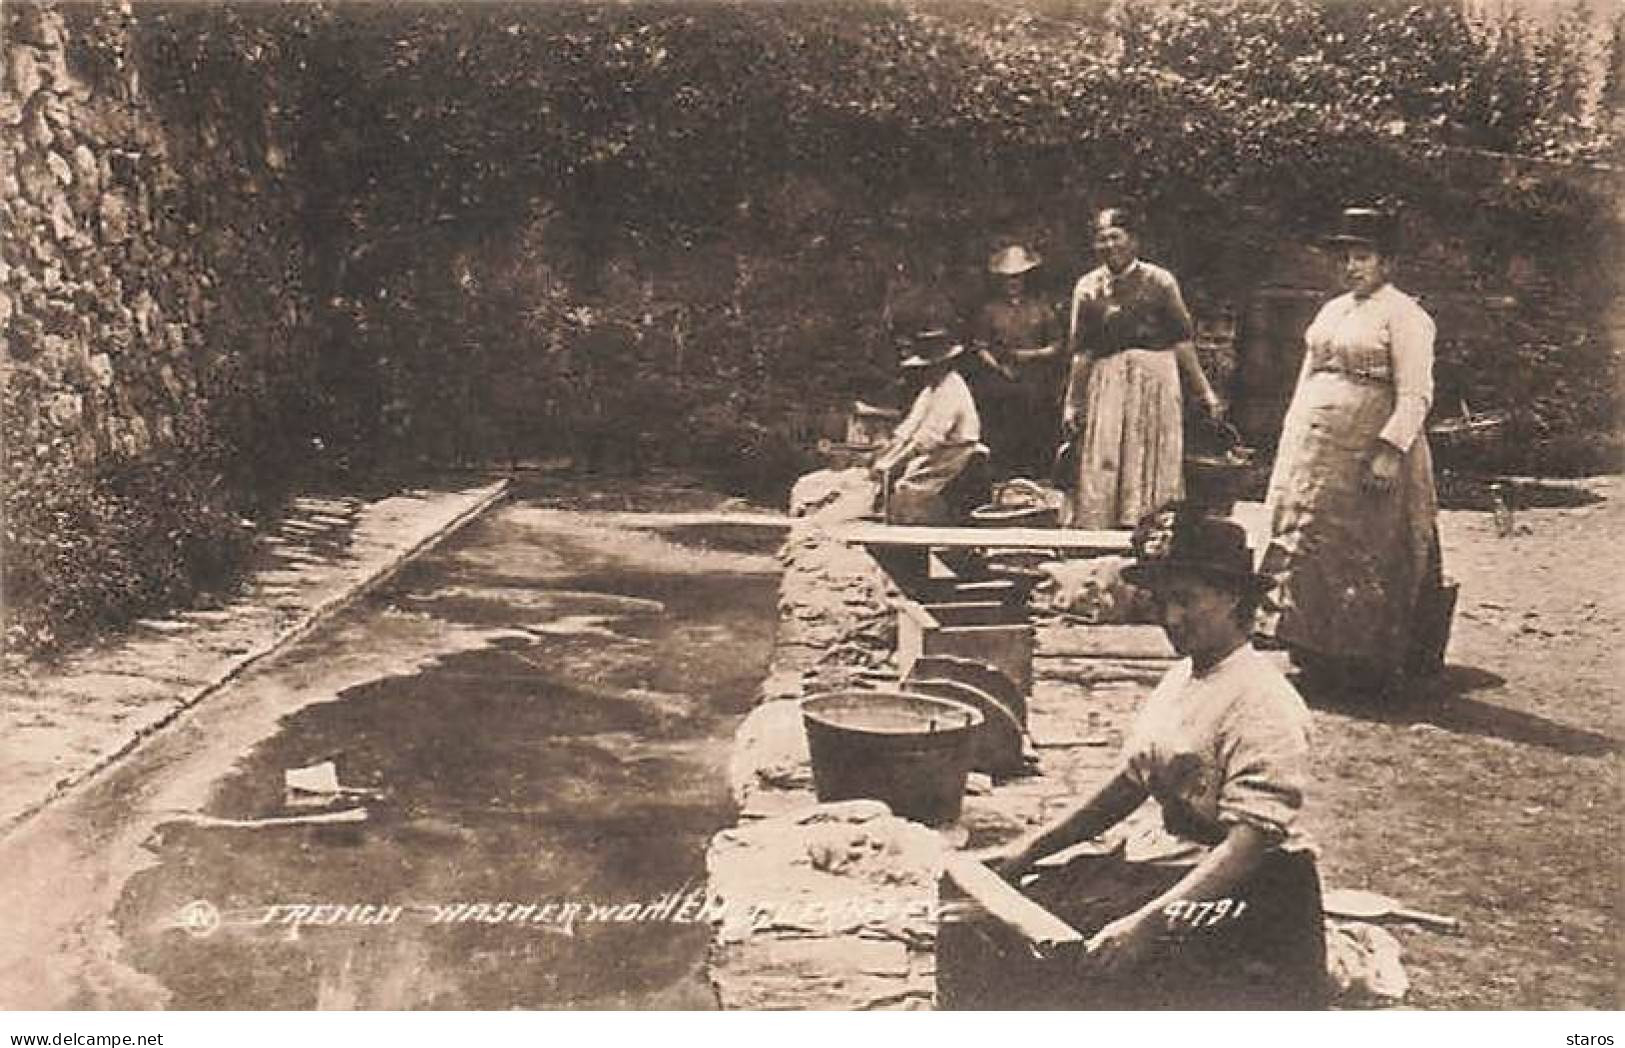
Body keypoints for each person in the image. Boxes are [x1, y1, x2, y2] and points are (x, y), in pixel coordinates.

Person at [942, 503, 1326, 1010]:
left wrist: (1146, 925)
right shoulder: (1184, 676)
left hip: (1248, 893)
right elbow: (1130, 782)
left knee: (1065, 968)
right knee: (1004, 920)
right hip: (1174, 858)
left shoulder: (1263, 700)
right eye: (1162, 602)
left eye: (1186, 600)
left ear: (1233, 597)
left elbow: (1248, 845)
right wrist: (1027, 850)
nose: (1171, 618)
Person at [1257, 206, 1445, 693]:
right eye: (1344, 258)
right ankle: (1309, 646)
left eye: (1363, 257)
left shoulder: (1406, 316)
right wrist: (1293, 430)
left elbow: (1416, 393)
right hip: (1315, 446)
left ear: (1387, 263)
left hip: (1366, 448)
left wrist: (1390, 450)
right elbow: (1308, 374)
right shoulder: (1332, 310)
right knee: (1308, 537)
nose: (1351, 267)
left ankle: (1360, 662)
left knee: (1361, 545)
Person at [1061, 208, 1224, 527]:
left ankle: (1152, 525)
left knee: (1152, 451)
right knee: (1105, 450)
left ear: (1133, 240)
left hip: (1155, 380)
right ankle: (1104, 526)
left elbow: (1182, 341)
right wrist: (1072, 402)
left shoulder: (1160, 282)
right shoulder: (1087, 287)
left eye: (1116, 237)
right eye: (1102, 239)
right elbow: (1082, 352)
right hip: (1108, 381)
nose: (1109, 245)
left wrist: (1205, 392)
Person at [870, 323, 990, 525]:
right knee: (899, 480)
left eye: (930, 366)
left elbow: (930, 436)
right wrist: (888, 452)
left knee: (911, 489)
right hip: (940, 453)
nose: (925, 371)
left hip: (958, 455)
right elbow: (911, 425)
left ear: (944, 364)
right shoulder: (931, 389)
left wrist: (896, 461)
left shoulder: (951, 388)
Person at [971, 245, 1064, 480]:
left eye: (1017, 277)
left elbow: (1057, 344)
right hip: (1002, 382)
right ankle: (1005, 474)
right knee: (1003, 429)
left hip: (1036, 382)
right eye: (1007, 278)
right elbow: (980, 346)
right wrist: (997, 367)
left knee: (1036, 427)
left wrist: (1033, 355)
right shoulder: (990, 310)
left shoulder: (1041, 307)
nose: (1012, 282)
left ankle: (1036, 474)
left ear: (1025, 278)